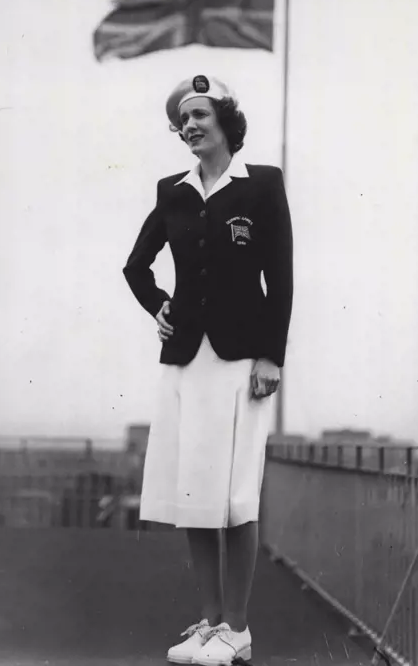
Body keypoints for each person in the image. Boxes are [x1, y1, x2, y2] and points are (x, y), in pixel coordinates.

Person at [123, 74, 293, 666]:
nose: (189, 125)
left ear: (225, 119)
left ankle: (239, 629)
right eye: (182, 119)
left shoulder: (262, 186)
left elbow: (281, 276)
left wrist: (273, 355)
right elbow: (135, 267)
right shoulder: (172, 190)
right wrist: (159, 307)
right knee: (195, 496)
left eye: (199, 114)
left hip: (243, 361)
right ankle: (211, 621)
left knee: (236, 496)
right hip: (185, 362)